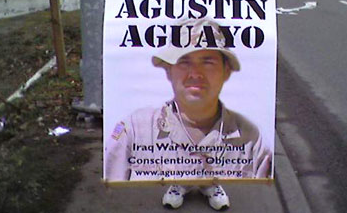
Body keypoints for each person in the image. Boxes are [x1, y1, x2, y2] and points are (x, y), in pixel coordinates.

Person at [105, 18, 272, 210]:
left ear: (226, 71)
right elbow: (113, 181)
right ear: (169, 70)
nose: (195, 73)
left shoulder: (252, 139)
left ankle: (210, 182)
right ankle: (179, 181)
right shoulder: (133, 130)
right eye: (184, 61)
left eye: (207, 62)